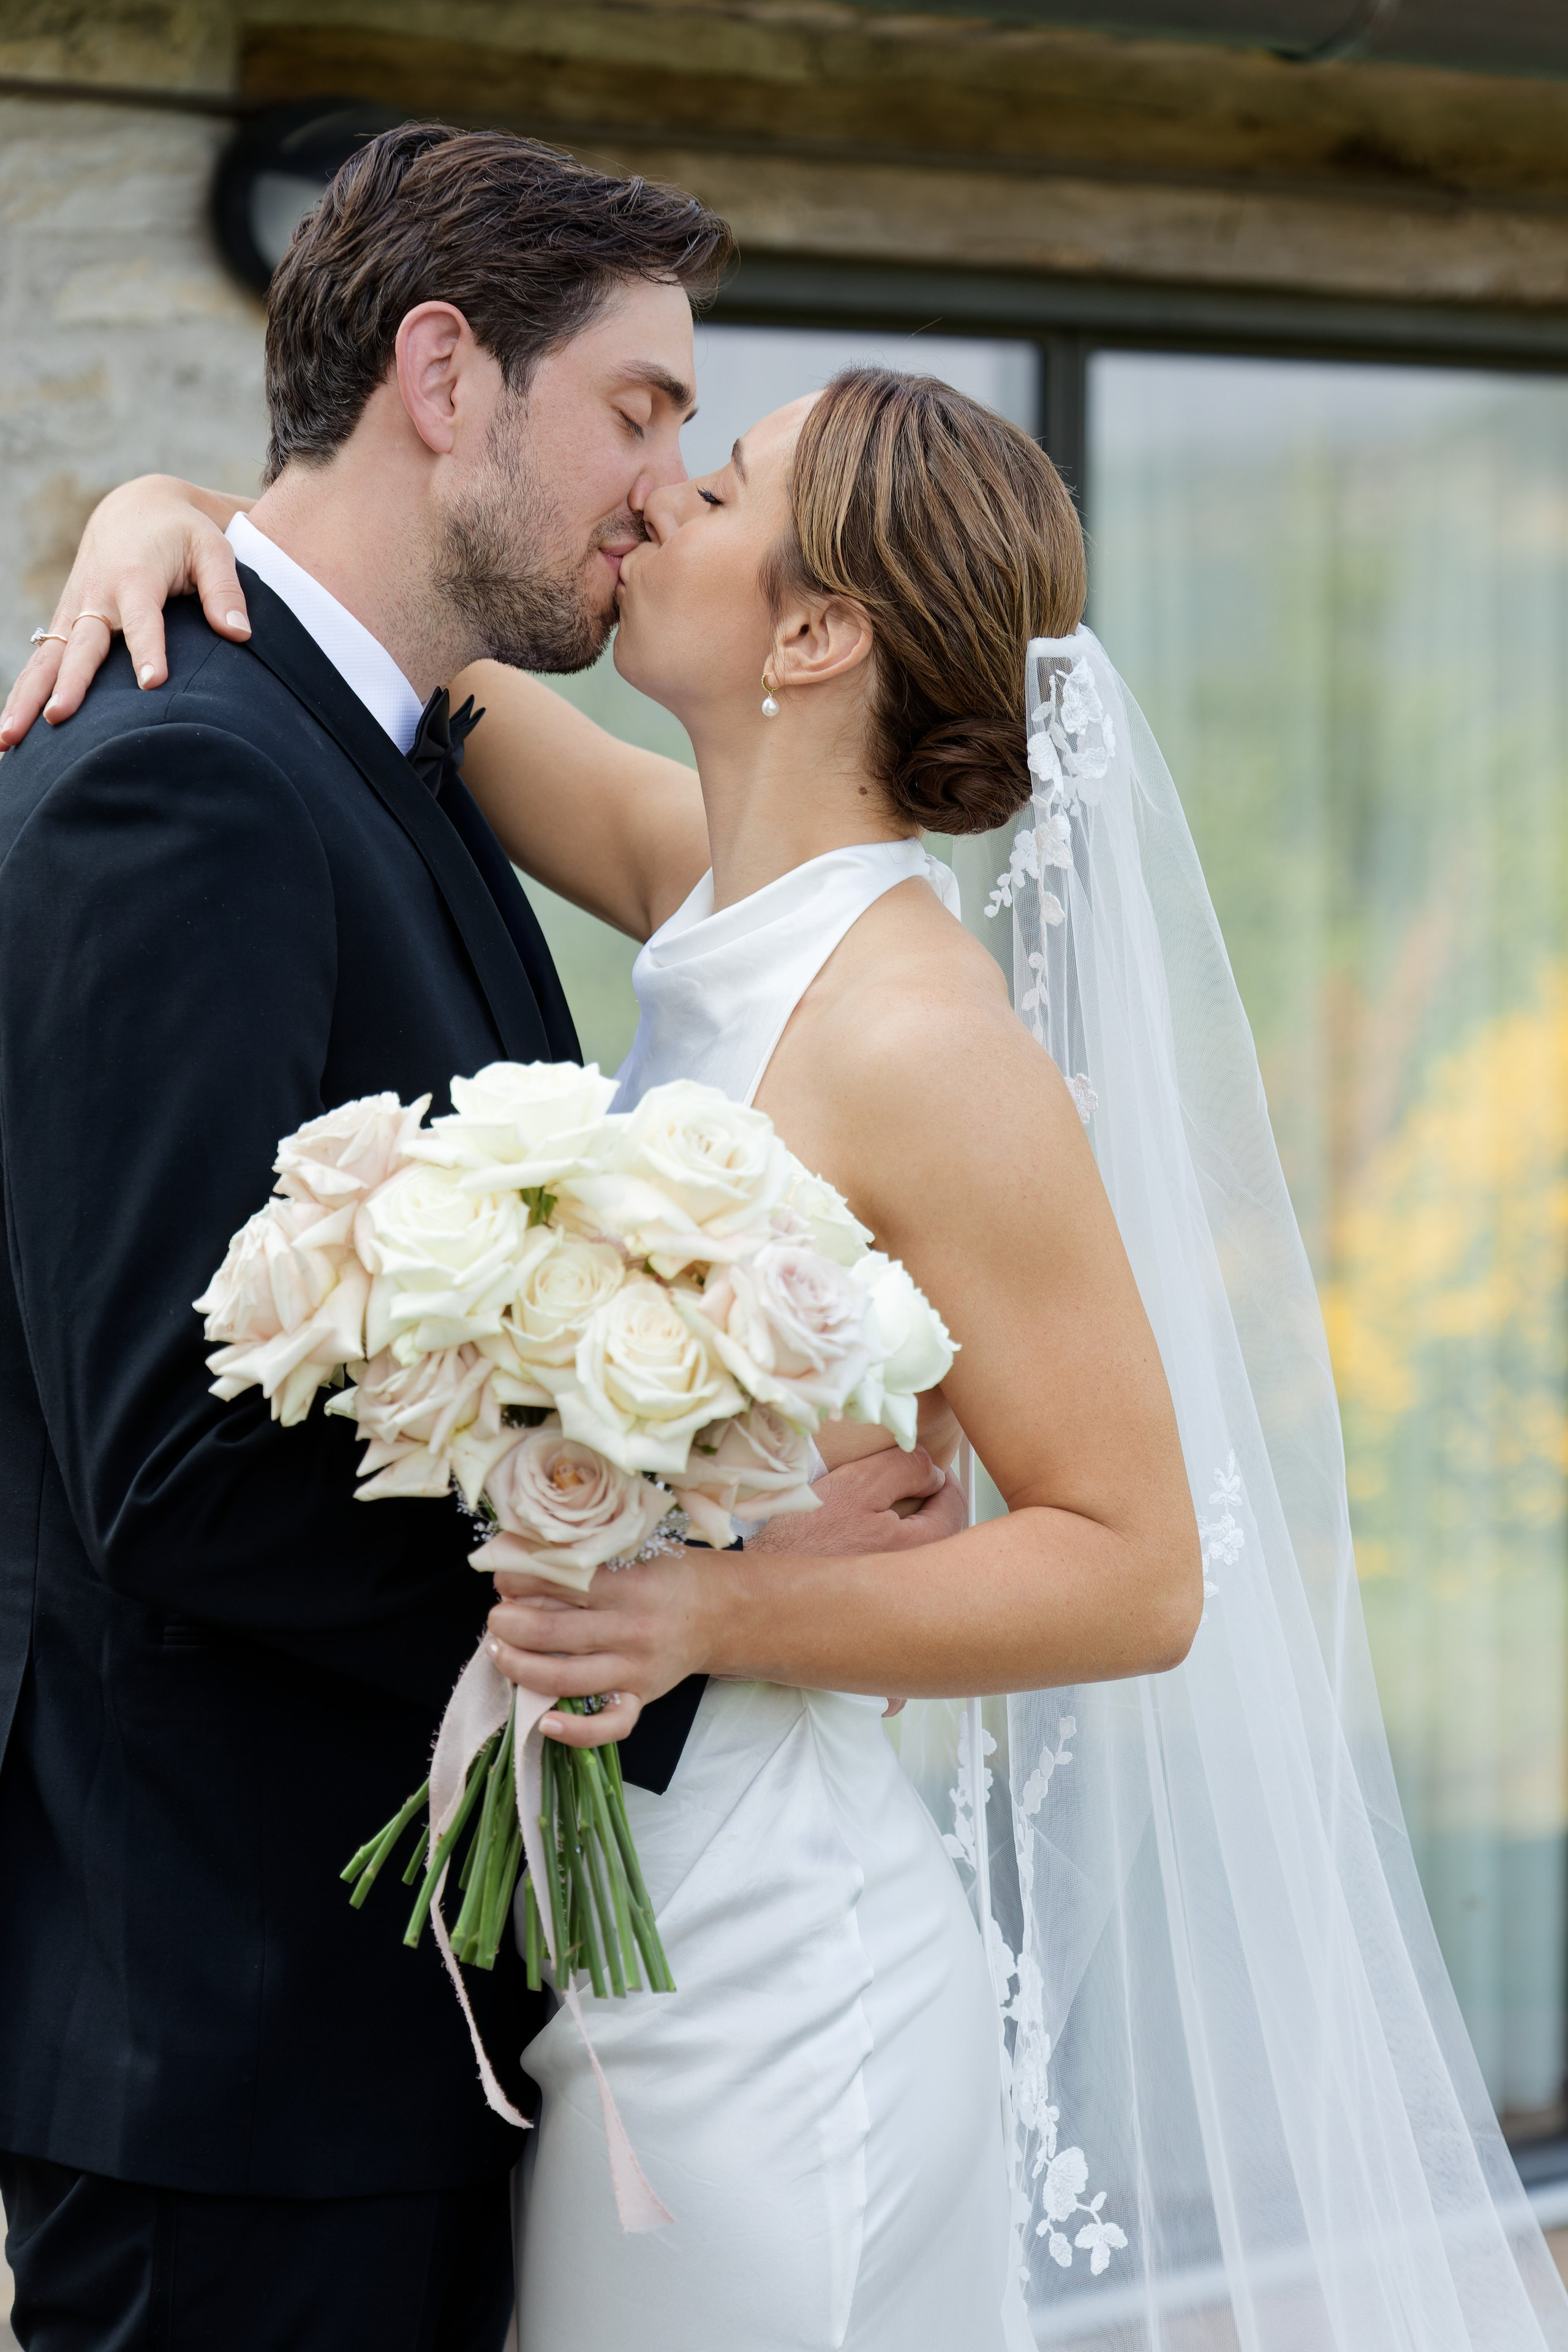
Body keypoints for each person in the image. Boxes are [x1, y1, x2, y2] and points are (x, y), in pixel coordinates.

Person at [29, 339, 1568, 2349]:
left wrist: (701, 1609)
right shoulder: (705, 889)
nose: (655, 496)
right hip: (614, 1968)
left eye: (720, 480)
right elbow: (369, 623)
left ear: (819, 631)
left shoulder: (923, 1038)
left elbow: (1138, 1565)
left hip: (776, 1990)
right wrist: (153, 515)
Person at [0, 129, 1002, 2352]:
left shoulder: (400, 756)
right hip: (237, 2044)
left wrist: (169, 500)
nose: (657, 492)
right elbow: (171, 1467)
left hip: (426, 2027)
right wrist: (700, 1575)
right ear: (445, 374)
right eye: (644, 414)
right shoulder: (189, 779)